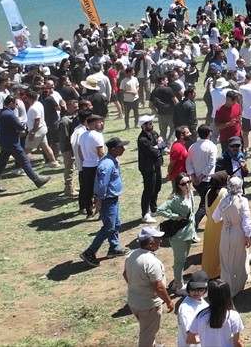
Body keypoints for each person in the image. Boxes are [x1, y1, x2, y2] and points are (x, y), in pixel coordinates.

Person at [0, 93, 49, 193]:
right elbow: (20, 126)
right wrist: (20, 130)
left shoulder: (2, 113)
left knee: (0, 165)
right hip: (12, 143)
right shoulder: (9, 114)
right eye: (16, 104)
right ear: (11, 103)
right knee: (24, 161)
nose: (16, 106)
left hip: (5, 142)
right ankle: (37, 180)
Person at [82, 137, 128, 266]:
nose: (123, 149)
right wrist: (99, 201)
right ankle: (90, 252)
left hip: (112, 200)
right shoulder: (107, 164)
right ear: (113, 149)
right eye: (121, 147)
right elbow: (102, 185)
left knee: (116, 224)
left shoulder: (111, 161)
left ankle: (114, 248)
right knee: (108, 227)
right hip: (107, 201)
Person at [123, 226, 173, 347]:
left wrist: (137, 287)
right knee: (147, 335)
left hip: (133, 301)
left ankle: (153, 344)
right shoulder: (152, 262)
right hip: (148, 305)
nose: (161, 241)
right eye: (158, 239)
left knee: (147, 328)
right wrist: (169, 301)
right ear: (150, 244)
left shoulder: (131, 256)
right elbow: (159, 288)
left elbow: (125, 274)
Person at [154, 173, 197, 294]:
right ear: (178, 185)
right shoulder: (175, 199)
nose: (187, 185)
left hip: (189, 232)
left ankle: (177, 281)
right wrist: (174, 216)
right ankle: (179, 286)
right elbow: (160, 210)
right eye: (184, 183)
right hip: (178, 235)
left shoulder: (191, 194)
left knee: (183, 259)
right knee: (179, 261)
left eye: (189, 182)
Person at [214, 176, 251, 296]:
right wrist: (248, 235)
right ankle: (237, 286)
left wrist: (226, 219)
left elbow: (215, 218)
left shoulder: (222, 201)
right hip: (238, 231)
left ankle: (226, 287)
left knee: (226, 259)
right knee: (239, 259)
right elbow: (246, 221)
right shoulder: (243, 201)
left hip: (225, 232)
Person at [186, 277, 245, 347]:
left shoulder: (200, 316)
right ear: (227, 295)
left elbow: (189, 339)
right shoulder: (233, 316)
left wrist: (202, 339)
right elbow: (237, 343)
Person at [136, 114, 166, 224]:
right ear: (143, 126)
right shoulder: (142, 139)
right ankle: (145, 214)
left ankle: (153, 209)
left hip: (156, 165)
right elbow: (153, 152)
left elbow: (163, 143)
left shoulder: (153, 133)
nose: (152, 125)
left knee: (157, 186)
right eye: (149, 123)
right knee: (148, 190)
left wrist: (159, 145)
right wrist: (159, 146)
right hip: (148, 167)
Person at [175, 271, 208, 347]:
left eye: (200, 289)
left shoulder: (202, 302)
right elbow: (191, 336)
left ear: (205, 290)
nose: (196, 292)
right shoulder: (186, 308)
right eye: (193, 289)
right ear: (188, 289)